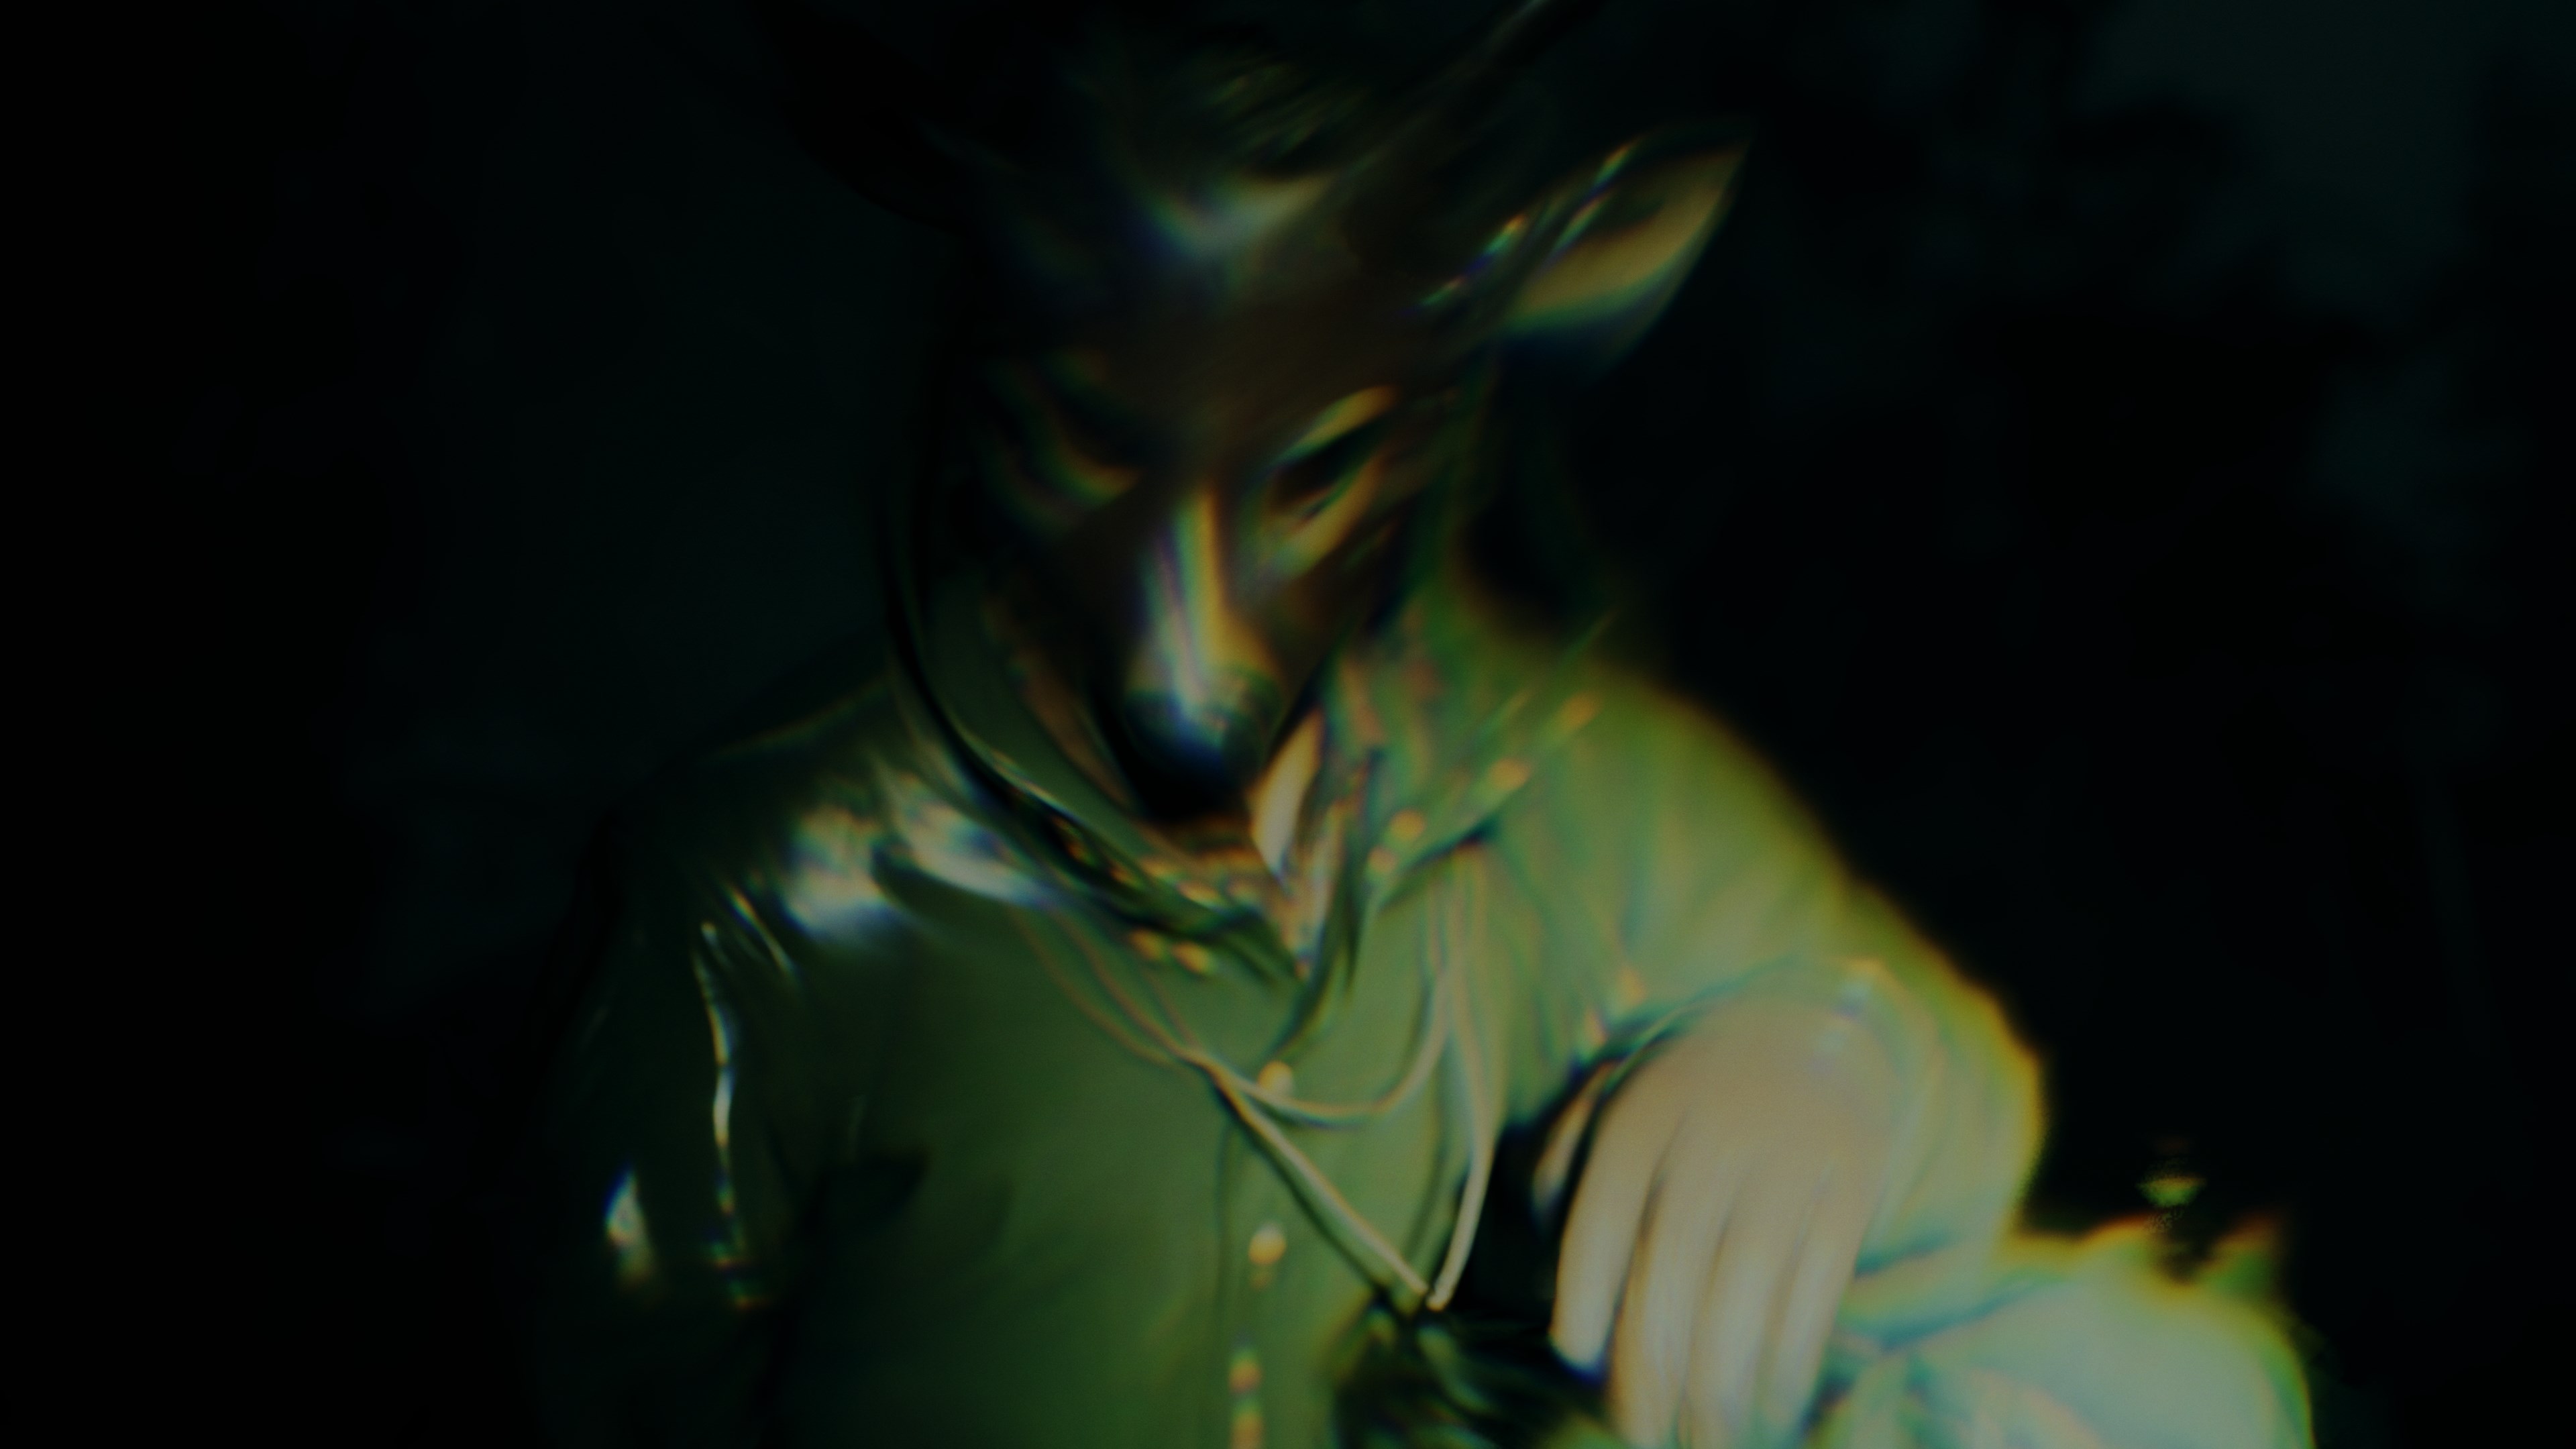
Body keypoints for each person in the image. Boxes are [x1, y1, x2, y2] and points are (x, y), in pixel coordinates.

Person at [506, 5, 2312, 1445]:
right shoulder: (763, 899)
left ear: (1429, 430)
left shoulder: (1542, 771)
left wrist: (1822, 1057)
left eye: (1310, 474)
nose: (1187, 647)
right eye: (1094, 445)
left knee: (2154, 1379)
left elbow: (1938, 1065)